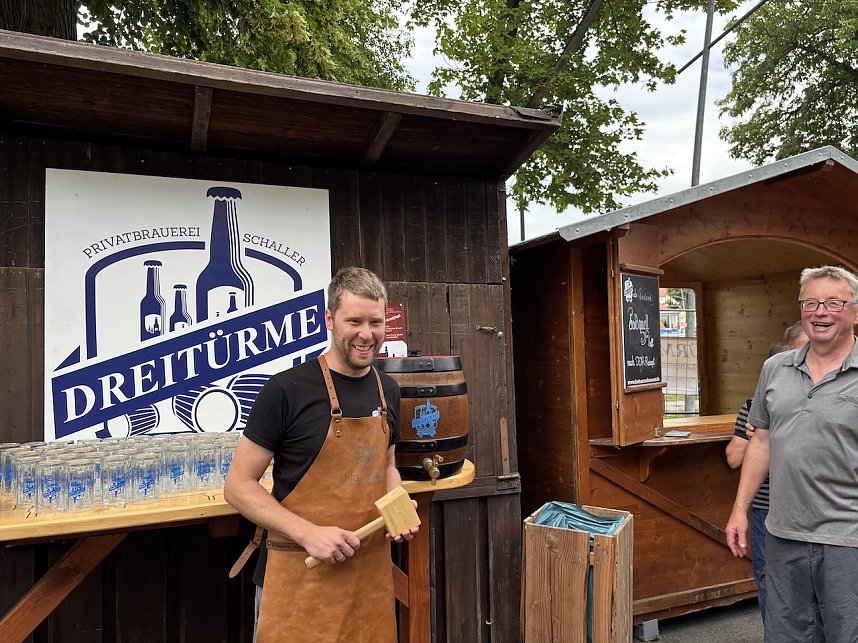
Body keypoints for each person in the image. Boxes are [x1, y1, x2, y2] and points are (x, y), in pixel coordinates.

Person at [224, 267, 417, 643]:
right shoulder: (286, 390)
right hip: (300, 576)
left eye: (375, 322)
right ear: (329, 318)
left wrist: (398, 506)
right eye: (354, 321)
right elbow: (238, 486)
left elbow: (387, 465)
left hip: (369, 579)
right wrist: (309, 534)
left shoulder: (388, 390)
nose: (366, 334)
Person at [725, 265, 858, 641]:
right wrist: (740, 509)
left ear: (855, 312)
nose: (821, 312)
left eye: (834, 302)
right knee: (786, 634)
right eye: (811, 302)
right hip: (783, 534)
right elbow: (761, 441)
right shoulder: (775, 369)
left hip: (849, 538)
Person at [724, 327, 808, 623]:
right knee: (771, 581)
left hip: (816, 509)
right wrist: (758, 436)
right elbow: (733, 458)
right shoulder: (752, 407)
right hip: (767, 509)